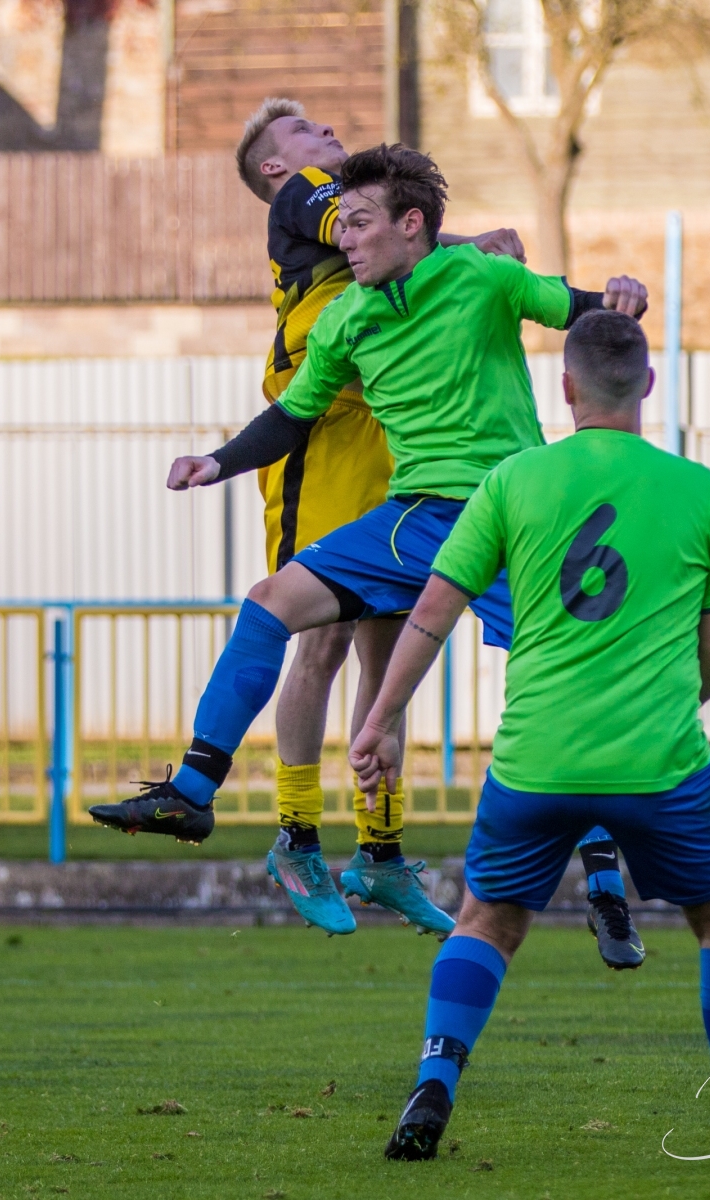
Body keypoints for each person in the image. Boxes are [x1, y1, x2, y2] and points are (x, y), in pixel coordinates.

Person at [88, 143, 649, 963]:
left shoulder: (484, 279)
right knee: (269, 603)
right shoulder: (348, 317)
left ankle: (604, 885)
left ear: (411, 225)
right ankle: (194, 790)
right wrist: (217, 460)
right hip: (413, 516)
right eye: (341, 225)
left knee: (561, 687)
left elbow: (583, 311)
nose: (344, 239)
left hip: (507, 515)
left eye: (358, 223)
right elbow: (293, 416)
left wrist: (623, 297)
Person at [349, 309, 710, 1161]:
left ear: (565, 388)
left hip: (536, 760)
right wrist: (673, 701)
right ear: (648, 385)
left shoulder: (513, 480)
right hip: (659, 762)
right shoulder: (701, 491)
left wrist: (379, 722)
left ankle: (434, 1082)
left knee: (486, 922)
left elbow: (433, 612)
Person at [229, 98, 525, 938]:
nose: (324, 132)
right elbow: (403, 236)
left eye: (321, 126)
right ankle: (296, 836)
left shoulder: (364, 223)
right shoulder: (305, 196)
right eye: (302, 132)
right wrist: (475, 243)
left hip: (391, 455)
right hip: (321, 452)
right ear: (275, 166)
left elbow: (409, 249)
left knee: (388, 657)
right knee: (320, 642)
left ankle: (382, 850)